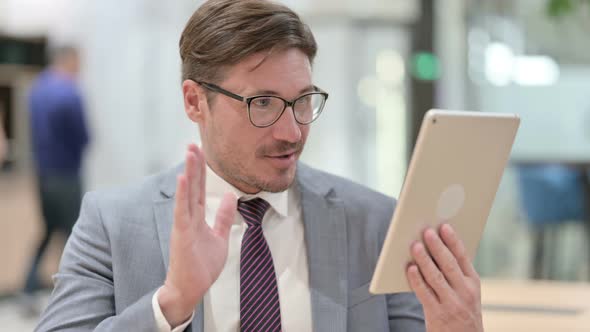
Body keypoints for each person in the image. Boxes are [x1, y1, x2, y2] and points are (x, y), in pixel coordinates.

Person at [35, 1, 482, 331]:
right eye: (262, 103)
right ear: (195, 101)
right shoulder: (112, 223)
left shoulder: (374, 221)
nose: (292, 131)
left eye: (303, 101)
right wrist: (171, 303)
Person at [23, 45, 89, 311]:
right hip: (66, 174)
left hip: (43, 175)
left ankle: (28, 287)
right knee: (77, 236)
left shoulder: (36, 89)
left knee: (48, 229)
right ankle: (77, 297)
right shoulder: (70, 93)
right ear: (69, 59)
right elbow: (84, 137)